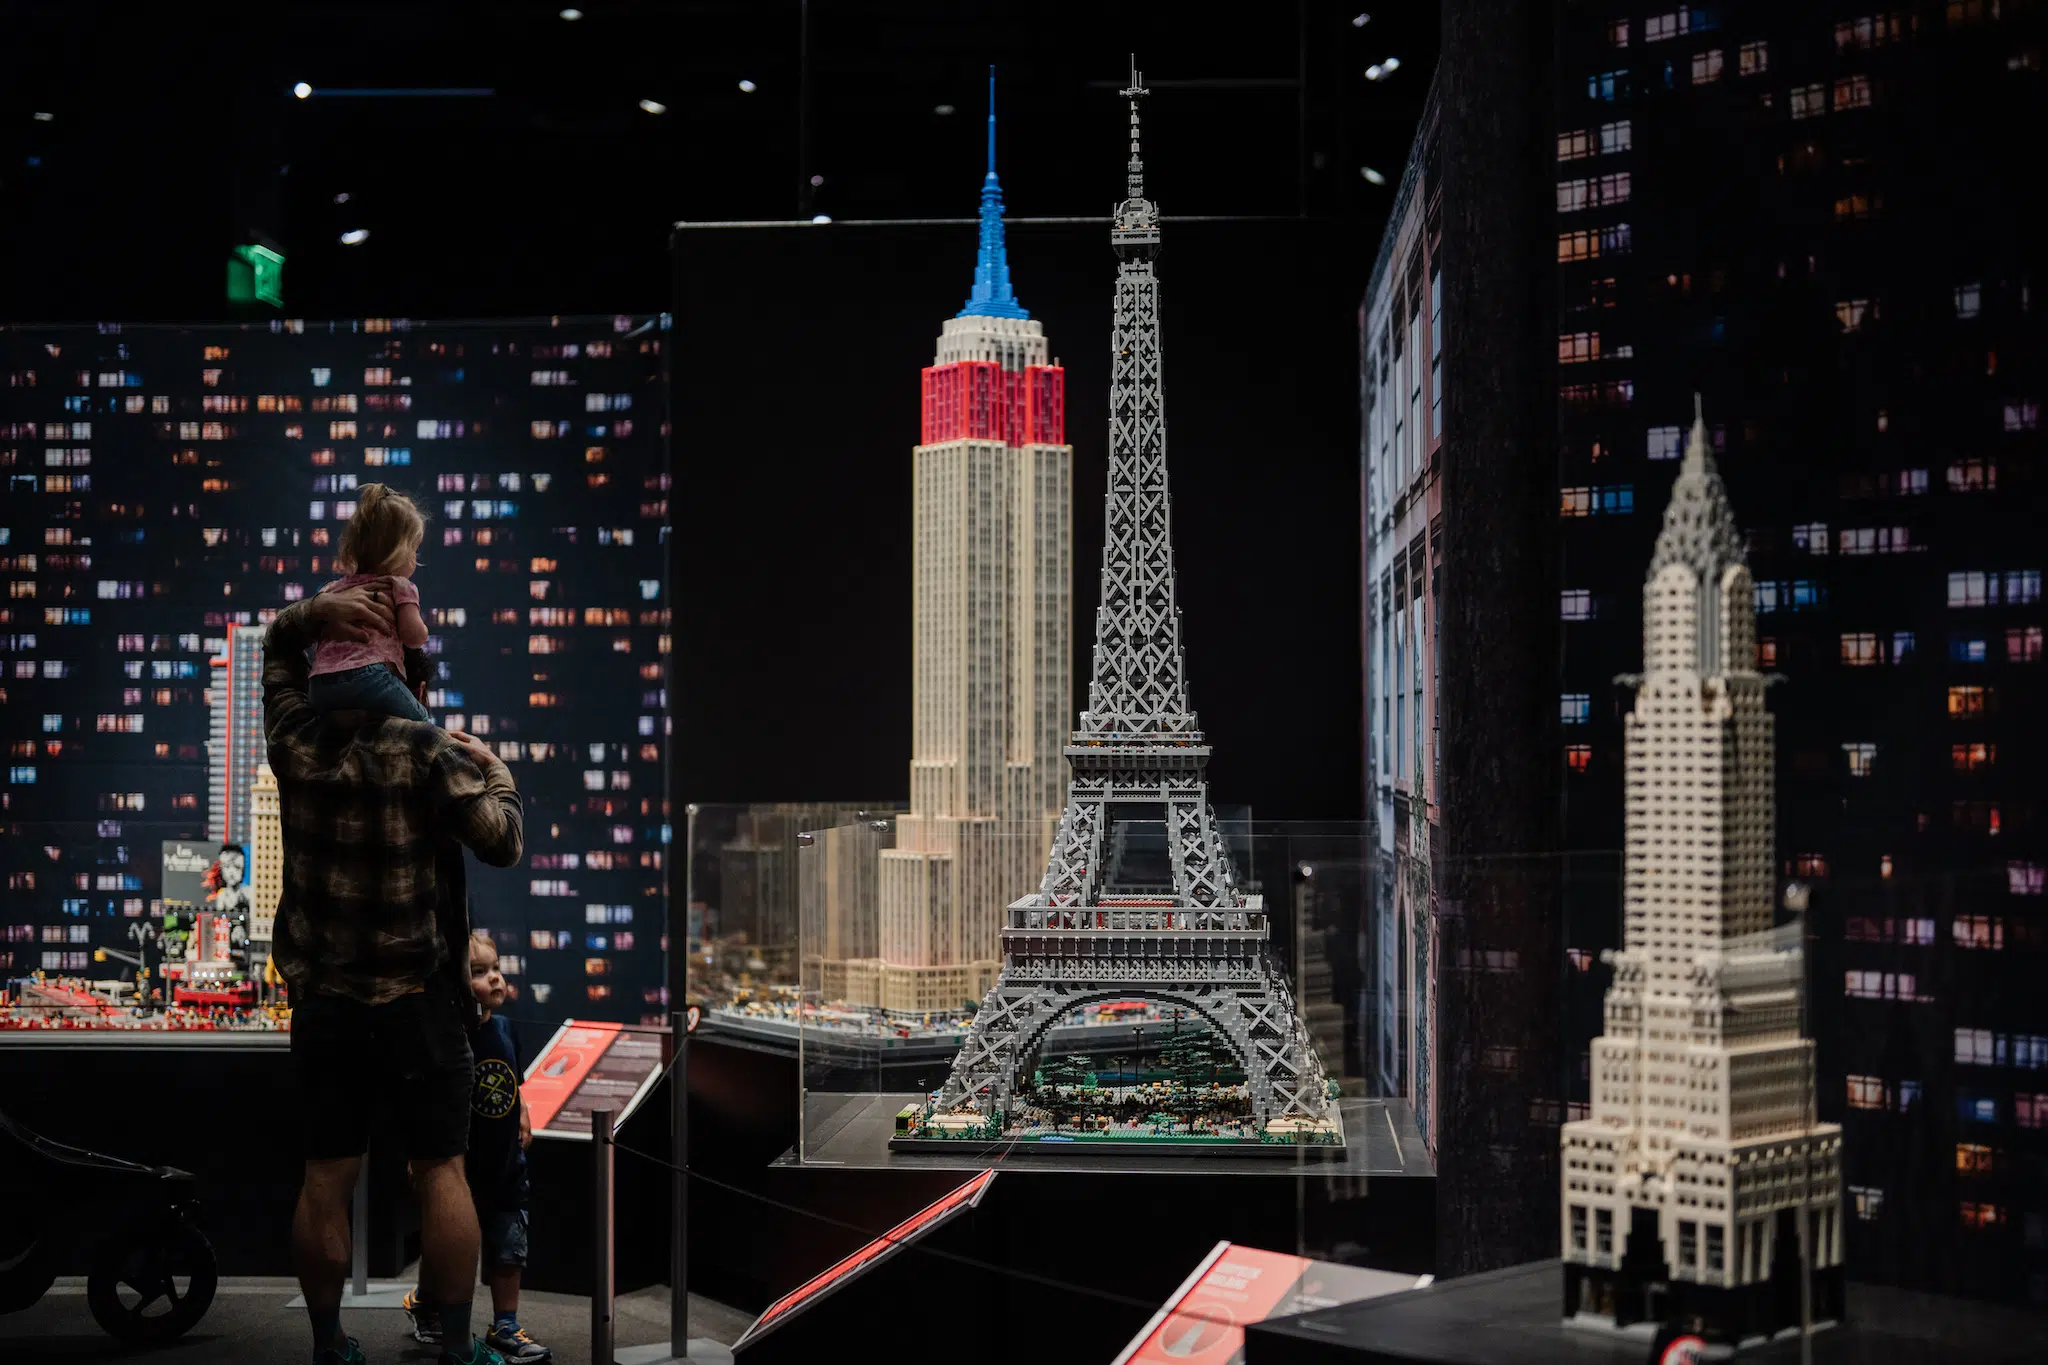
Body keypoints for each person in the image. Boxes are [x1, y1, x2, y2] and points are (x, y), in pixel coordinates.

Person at [265, 579, 524, 1365]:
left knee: (324, 1177)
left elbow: (277, 652)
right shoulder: (427, 750)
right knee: (442, 1169)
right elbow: (502, 840)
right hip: (417, 1001)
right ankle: (452, 1349)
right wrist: (499, 771)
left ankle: (326, 1345)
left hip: (324, 1003)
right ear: (405, 679)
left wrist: (313, 617)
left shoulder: (295, 739)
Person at [402, 933, 551, 1363]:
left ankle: (505, 1323)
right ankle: (426, 1300)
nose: (496, 979)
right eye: (480, 972)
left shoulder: (505, 1029)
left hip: (505, 1164)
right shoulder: (446, 1036)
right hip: (457, 1168)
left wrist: (522, 1112)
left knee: (509, 1246)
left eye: (497, 969)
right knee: (443, 1243)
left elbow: (513, 1083)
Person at [309, 483, 434, 723]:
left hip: (320, 686)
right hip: (369, 678)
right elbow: (413, 636)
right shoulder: (399, 586)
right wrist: (423, 629)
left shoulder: (333, 589)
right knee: (423, 725)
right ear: (400, 552)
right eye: (414, 551)